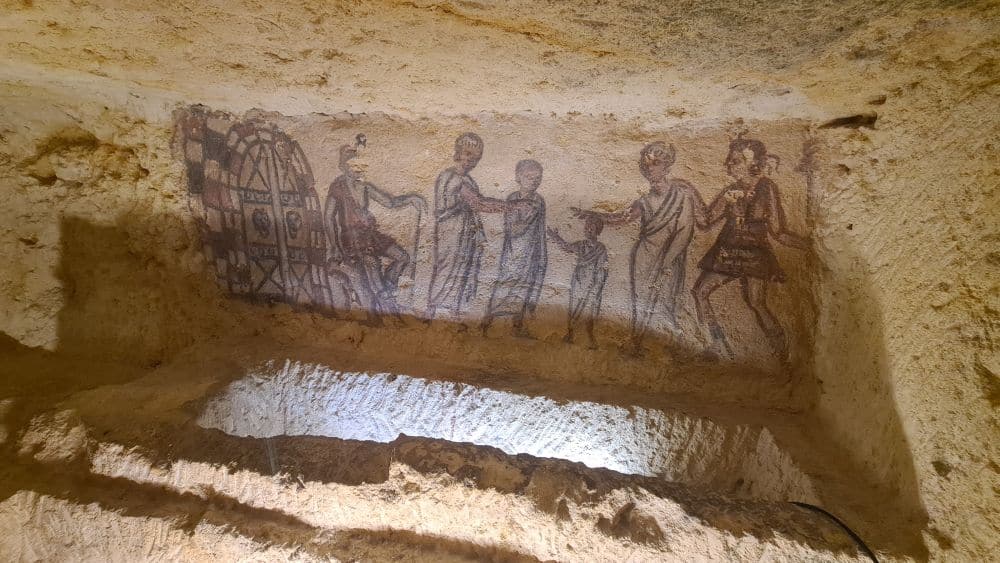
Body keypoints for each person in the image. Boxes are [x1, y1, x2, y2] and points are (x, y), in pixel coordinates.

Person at [573, 141, 705, 357]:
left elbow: (684, 231)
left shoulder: (682, 196)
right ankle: (637, 344)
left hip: (669, 258)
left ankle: (673, 345)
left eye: (656, 163)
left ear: (667, 166)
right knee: (641, 301)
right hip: (643, 257)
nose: (650, 168)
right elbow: (621, 219)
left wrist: (667, 262)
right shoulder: (644, 200)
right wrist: (593, 214)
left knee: (667, 299)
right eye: (646, 164)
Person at [691, 137, 808, 364]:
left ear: (752, 163)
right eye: (730, 160)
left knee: (756, 302)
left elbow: (777, 231)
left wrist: (810, 246)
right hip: (728, 251)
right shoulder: (730, 191)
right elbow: (705, 221)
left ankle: (781, 352)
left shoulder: (767, 188)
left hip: (755, 253)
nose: (729, 164)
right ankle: (716, 343)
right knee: (700, 291)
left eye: (735, 161)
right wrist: (691, 192)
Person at [426, 133, 529, 321]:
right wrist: (511, 206)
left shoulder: (469, 180)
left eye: (475, 158)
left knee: (464, 269)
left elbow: (476, 203)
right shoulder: (451, 177)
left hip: (466, 232)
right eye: (467, 154)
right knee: (447, 269)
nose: (470, 160)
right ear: (458, 151)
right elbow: (478, 203)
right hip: (452, 231)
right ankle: (431, 312)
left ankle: (454, 310)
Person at [324, 137, 426, 320]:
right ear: (344, 166)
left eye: (360, 164)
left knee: (402, 257)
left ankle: (387, 289)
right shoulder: (337, 187)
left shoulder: (365, 187)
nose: (358, 168)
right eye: (353, 164)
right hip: (352, 239)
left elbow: (390, 202)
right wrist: (334, 246)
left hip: (370, 236)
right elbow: (328, 217)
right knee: (372, 267)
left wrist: (411, 198)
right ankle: (388, 310)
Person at [481, 160, 548, 338]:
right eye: (529, 177)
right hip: (513, 254)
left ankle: (517, 327)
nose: (534, 181)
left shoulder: (539, 201)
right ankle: (486, 323)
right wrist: (529, 215)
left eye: (538, 178)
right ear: (518, 177)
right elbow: (513, 229)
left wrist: (542, 255)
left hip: (531, 254)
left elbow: (540, 231)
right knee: (505, 288)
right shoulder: (512, 199)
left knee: (524, 291)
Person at [547, 215, 608, 349]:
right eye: (587, 227)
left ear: (598, 231)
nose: (588, 230)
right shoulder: (581, 245)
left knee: (589, 311)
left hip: (592, 283)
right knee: (574, 307)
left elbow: (603, 269)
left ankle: (591, 338)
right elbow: (566, 247)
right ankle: (571, 333)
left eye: (592, 227)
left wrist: (597, 285)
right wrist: (554, 236)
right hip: (579, 280)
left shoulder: (601, 248)